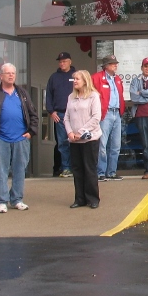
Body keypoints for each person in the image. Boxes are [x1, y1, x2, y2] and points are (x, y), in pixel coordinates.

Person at [0, 62, 40, 213]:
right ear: (1, 76)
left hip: (21, 139)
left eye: (13, 73)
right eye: (8, 73)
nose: (11, 75)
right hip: (1, 139)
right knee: (1, 170)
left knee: (20, 170)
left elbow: (33, 114)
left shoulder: (22, 94)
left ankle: (17, 200)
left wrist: (31, 132)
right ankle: (2, 201)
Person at [63, 70, 102, 209]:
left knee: (89, 168)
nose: (75, 81)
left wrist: (80, 132)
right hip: (74, 140)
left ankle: (93, 198)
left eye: (77, 79)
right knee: (77, 169)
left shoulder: (93, 96)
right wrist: (70, 132)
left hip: (90, 139)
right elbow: (66, 117)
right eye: (74, 79)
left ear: (85, 81)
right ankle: (80, 199)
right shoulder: (71, 97)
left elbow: (96, 118)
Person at [92, 54, 126, 181]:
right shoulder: (96, 78)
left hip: (116, 113)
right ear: (106, 66)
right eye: (113, 63)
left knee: (116, 145)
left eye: (116, 63)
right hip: (104, 114)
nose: (115, 65)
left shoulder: (117, 79)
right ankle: (100, 172)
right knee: (102, 144)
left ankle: (111, 172)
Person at [46, 51, 78, 178]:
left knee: (76, 141)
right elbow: (48, 96)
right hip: (60, 114)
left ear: (70, 61)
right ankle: (66, 168)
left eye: (64, 61)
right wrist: (51, 111)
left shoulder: (76, 75)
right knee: (63, 142)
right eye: (60, 61)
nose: (62, 63)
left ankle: (76, 168)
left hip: (75, 114)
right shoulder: (54, 77)